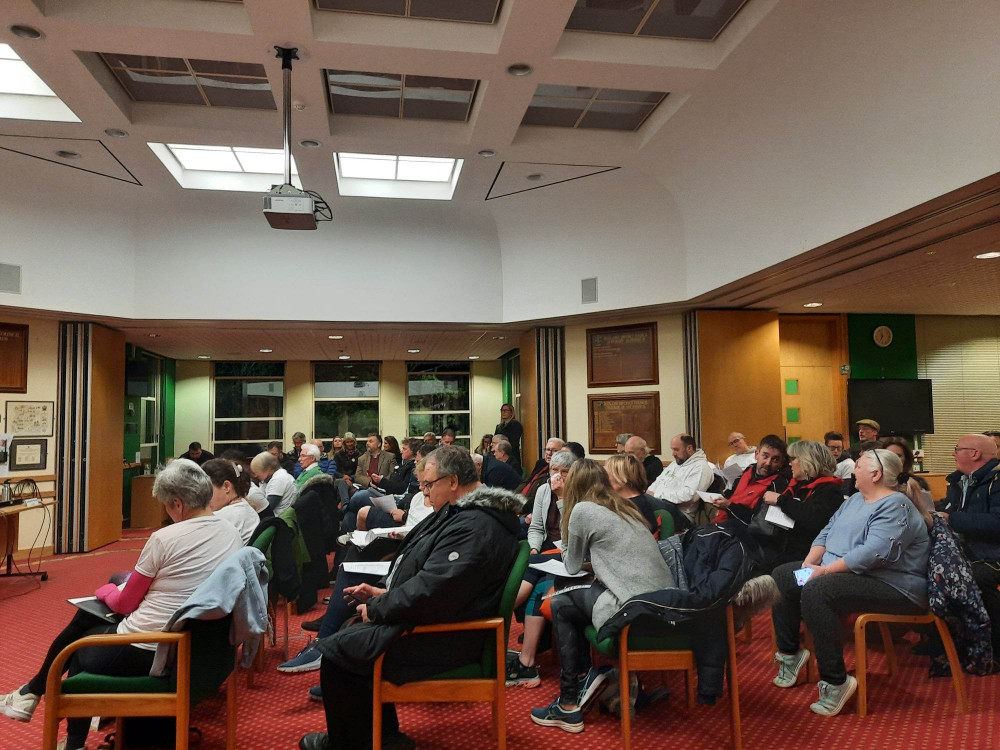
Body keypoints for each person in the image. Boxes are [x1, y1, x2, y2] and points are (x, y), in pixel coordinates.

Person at [0, 460, 243, 748]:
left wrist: (106, 591)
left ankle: (61, 726)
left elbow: (125, 604)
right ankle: (33, 693)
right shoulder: (229, 531)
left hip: (150, 647)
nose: (165, 511)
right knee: (88, 619)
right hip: (197, 645)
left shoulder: (164, 538)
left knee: (79, 644)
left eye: (165, 505)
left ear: (178, 503)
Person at [299, 447, 522, 750]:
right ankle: (381, 737)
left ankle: (354, 743)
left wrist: (379, 606)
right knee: (350, 636)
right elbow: (435, 579)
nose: (425, 494)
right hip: (440, 620)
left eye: (429, 485)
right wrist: (385, 594)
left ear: (453, 481)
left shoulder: (476, 524)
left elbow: (438, 588)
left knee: (342, 653)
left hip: (452, 638)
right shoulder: (463, 512)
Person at [770, 449, 929, 717]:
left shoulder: (896, 506)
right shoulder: (855, 499)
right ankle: (791, 653)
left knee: (817, 590)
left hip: (892, 586)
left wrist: (824, 571)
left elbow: (873, 553)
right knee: (785, 577)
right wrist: (810, 562)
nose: (852, 471)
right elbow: (826, 531)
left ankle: (835, 681)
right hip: (845, 575)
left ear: (876, 474)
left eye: (857, 466)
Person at [529, 459, 674, 734]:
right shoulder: (624, 506)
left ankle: (569, 702)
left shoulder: (583, 510)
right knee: (566, 602)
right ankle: (612, 686)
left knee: (559, 602)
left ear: (574, 486)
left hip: (633, 609)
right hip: (664, 606)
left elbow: (570, 565)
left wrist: (563, 505)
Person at [506, 449, 580, 688]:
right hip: (545, 551)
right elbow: (536, 528)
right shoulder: (542, 490)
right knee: (520, 583)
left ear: (574, 474)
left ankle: (525, 661)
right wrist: (535, 549)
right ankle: (500, 641)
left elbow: (573, 534)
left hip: (568, 553)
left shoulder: (581, 494)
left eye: (564, 472)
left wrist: (562, 497)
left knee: (534, 588)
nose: (557, 477)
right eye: (553, 471)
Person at [940, 433, 1000, 659]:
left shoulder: (997, 480)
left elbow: (997, 522)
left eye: (958, 448)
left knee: (974, 577)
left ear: (974, 454)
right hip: (963, 550)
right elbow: (947, 508)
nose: (953, 453)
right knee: (928, 571)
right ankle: (947, 643)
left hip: (991, 553)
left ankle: (993, 647)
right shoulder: (958, 481)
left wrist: (951, 518)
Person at [758, 440, 844, 571]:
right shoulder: (797, 484)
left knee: (772, 572)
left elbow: (813, 519)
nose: (789, 463)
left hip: (808, 558)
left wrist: (781, 500)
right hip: (783, 547)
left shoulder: (830, 490)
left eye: (793, 459)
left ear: (807, 461)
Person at [712, 434, 790, 524]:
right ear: (757, 454)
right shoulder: (749, 469)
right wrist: (720, 500)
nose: (768, 463)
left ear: (781, 463)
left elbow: (757, 521)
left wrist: (729, 506)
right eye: (765, 456)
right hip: (723, 519)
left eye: (775, 460)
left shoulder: (778, 484)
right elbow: (733, 490)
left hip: (740, 529)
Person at [647, 434, 716, 525]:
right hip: (663, 503)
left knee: (639, 502)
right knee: (635, 501)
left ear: (689, 448)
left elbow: (689, 496)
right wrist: (650, 493)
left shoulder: (701, 467)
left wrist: (656, 494)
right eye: (672, 449)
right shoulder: (675, 463)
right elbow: (658, 481)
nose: (673, 454)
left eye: (676, 449)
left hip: (681, 514)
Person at [603, 453, 665, 532]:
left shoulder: (635, 506)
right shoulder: (635, 501)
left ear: (620, 481)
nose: (603, 482)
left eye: (607, 477)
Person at [203, 458, 260, 543]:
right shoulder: (244, 506)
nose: (203, 498)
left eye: (206, 490)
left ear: (226, 486)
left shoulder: (220, 518)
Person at [880, 437, 934, 520]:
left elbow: (929, 515)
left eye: (899, 455)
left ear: (905, 459)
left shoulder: (918, 483)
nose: (894, 459)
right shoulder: (875, 482)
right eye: (890, 455)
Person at [495, 403, 524, 472]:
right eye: (502, 410)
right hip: (499, 454)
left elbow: (513, 442)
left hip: (511, 455)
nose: (503, 412)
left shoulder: (515, 425)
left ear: (511, 412)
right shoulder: (499, 427)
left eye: (506, 410)